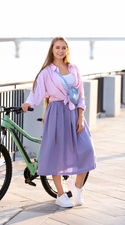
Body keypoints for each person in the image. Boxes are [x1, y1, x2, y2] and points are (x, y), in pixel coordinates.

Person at [21, 37, 96, 208]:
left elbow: (81, 95)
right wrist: (28, 103)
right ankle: (60, 194)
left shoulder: (73, 68)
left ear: (67, 50)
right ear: (52, 50)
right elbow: (36, 93)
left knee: (87, 149)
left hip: (74, 113)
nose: (60, 51)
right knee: (56, 154)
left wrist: (80, 116)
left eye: (63, 47)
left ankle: (77, 187)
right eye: (57, 47)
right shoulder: (47, 72)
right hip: (56, 113)